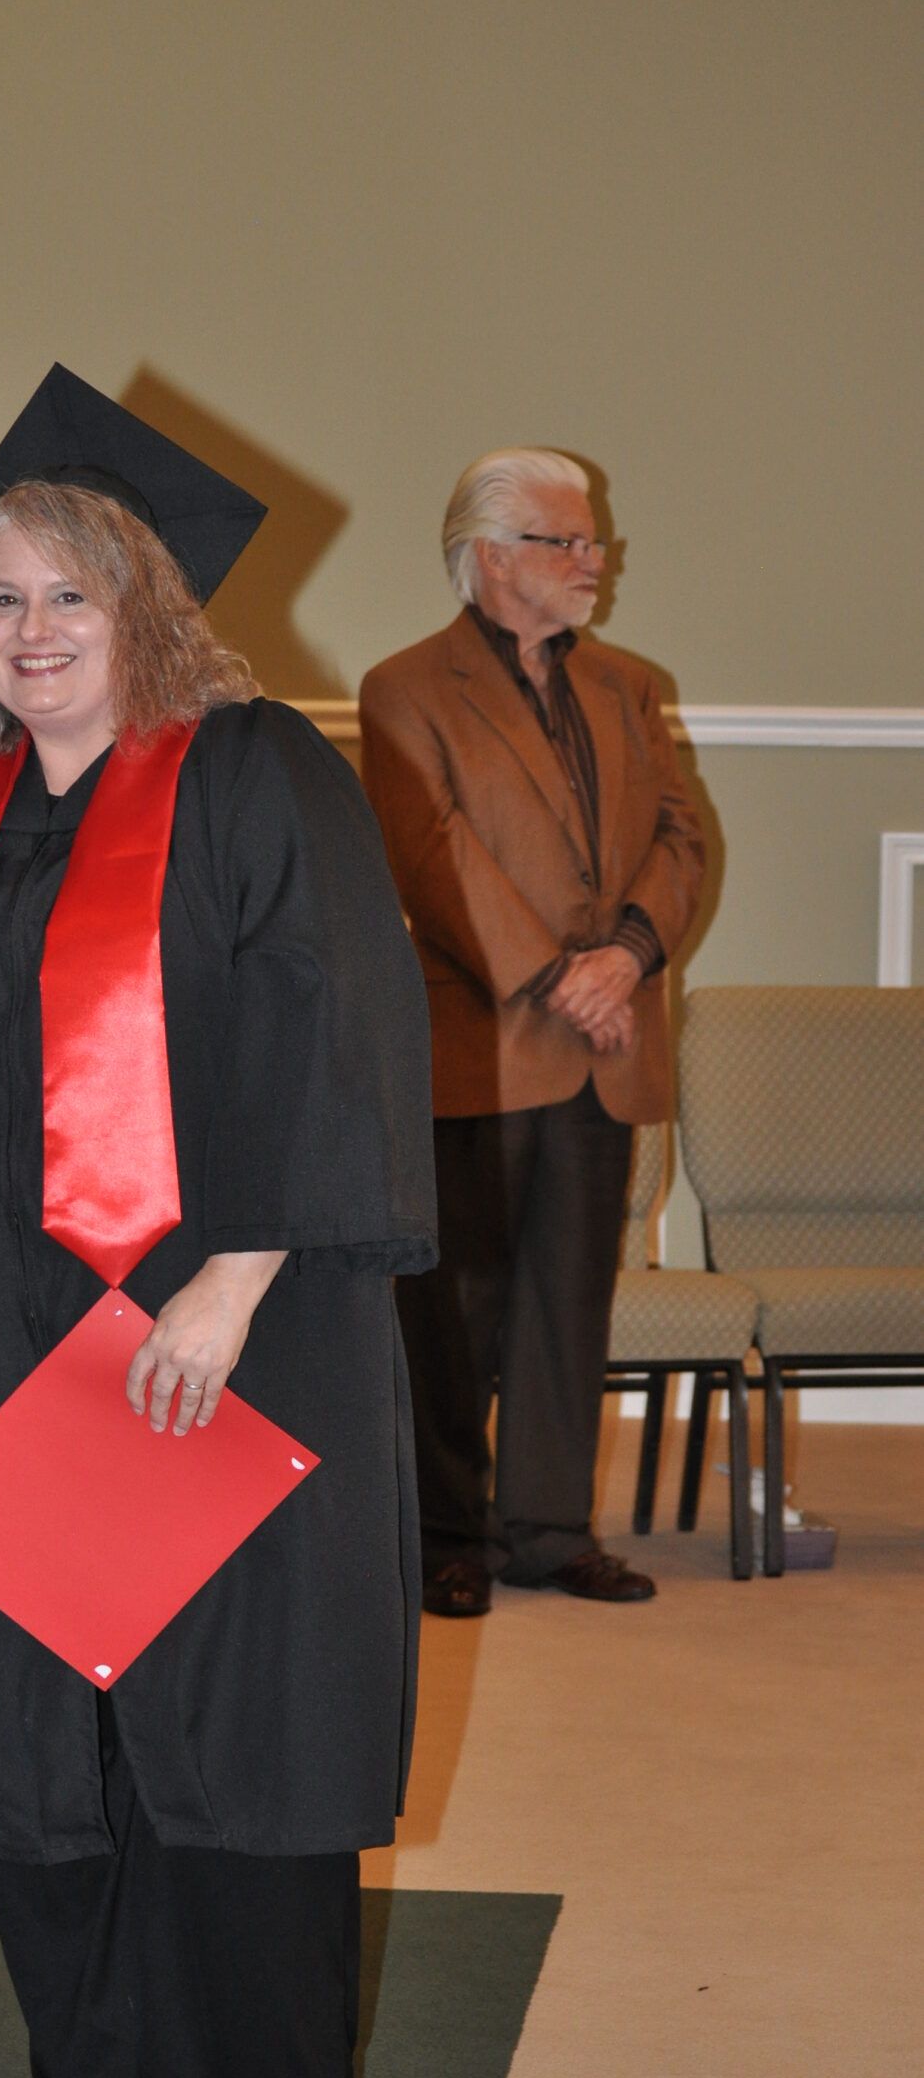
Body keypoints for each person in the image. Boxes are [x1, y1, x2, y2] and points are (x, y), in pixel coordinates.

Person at [0, 370, 434, 2078]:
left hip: (229, 1322)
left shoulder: (261, 773)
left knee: (234, 1728)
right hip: (2, 1329)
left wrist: (231, 1285)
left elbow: (337, 1030)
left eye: (67, 597)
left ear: (146, 608)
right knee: (48, 1744)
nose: (27, 634)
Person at [359, 448, 706, 1618]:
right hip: (479, 1042)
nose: (592, 561)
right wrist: (555, 974)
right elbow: (431, 853)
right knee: (454, 1309)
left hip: (602, 1046)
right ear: (493, 556)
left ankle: (550, 1531)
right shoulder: (404, 686)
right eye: (568, 540)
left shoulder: (625, 686)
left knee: (570, 1299)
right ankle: (445, 1533)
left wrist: (625, 958)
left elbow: (679, 838)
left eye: (590, 540)